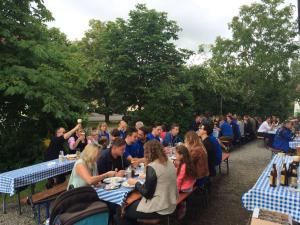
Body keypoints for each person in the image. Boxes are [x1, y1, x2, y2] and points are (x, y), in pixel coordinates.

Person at [119, 140, 178, 225]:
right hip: (171, 202)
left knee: (123, 208)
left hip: (160, 208)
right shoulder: (169, 162)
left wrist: (136, 183)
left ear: (148, 153)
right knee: (132, 200)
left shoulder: (152, 167)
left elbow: (147, 194)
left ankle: (137, 221)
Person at [45, 124, 81, 188]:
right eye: (63, 132)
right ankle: (51, 185)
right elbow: (64, 137)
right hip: (51, 165)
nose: (65, 134)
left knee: (62, 179)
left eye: (65, 132)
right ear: (57, 133)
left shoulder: (61, 143)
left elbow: (64, 155)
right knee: (57, 180)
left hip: (59, 164)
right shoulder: (55, 139)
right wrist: (76, 128)